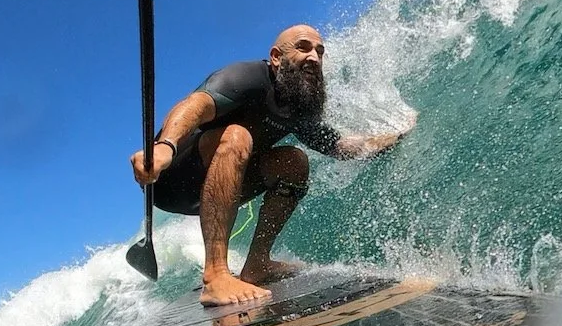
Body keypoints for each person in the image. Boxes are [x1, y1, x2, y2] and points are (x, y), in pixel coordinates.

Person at [130, 24, 416, 306]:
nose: (314, 57)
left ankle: (257, 265)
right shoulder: (248, 78)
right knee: (238, 135)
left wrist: (393, 138)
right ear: (277, 56)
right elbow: (195, 105)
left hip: (216, 188)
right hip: (171, 179)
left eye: (320, 51)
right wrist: (165, 146)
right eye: (303, 47)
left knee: (294, 162)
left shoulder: (298, 108)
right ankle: (215, 275)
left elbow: (339, 146)